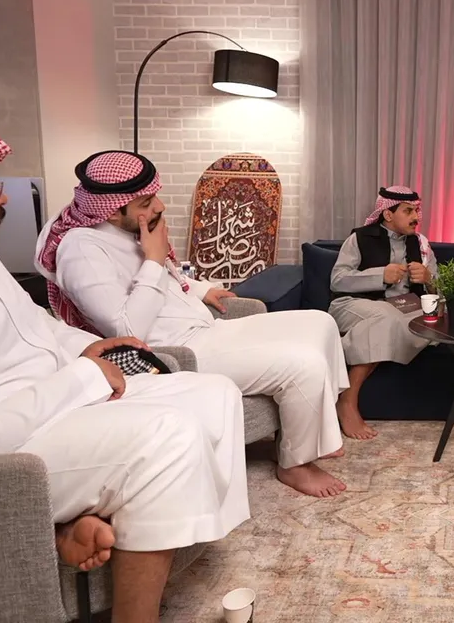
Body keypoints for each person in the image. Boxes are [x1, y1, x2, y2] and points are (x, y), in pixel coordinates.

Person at [0, 108, 249, 622]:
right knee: (168, 437)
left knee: (213, 393)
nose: (4, 197)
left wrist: (89, 348)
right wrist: (83, 378)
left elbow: (36, 323)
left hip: (50, 400)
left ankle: (116, 528)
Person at [36, 150, 349, 498]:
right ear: (112, 209)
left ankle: (322, 425)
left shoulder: (127, 230)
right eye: (146, 202)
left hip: (207, 330)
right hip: (178, 352)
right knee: (303, 365)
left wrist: (200, 289)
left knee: (320, 322)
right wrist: (154, 259)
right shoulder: (81, 250)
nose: (159, 207)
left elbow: (166, 279)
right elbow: (126, 331)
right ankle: (295, 464)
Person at [328, 186, 438, 440]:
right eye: (408, 211)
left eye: (416, 210)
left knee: (427, 323)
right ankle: (347, 401)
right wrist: (380, 275)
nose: (416, 217)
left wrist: (429, 278)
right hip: (352, 304)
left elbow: (440, 289)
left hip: (401, 308)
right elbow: (338, 280)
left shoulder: (421, 245)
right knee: (386, 318)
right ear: (388, 214)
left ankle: (348, 347)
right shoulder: (359, 239)